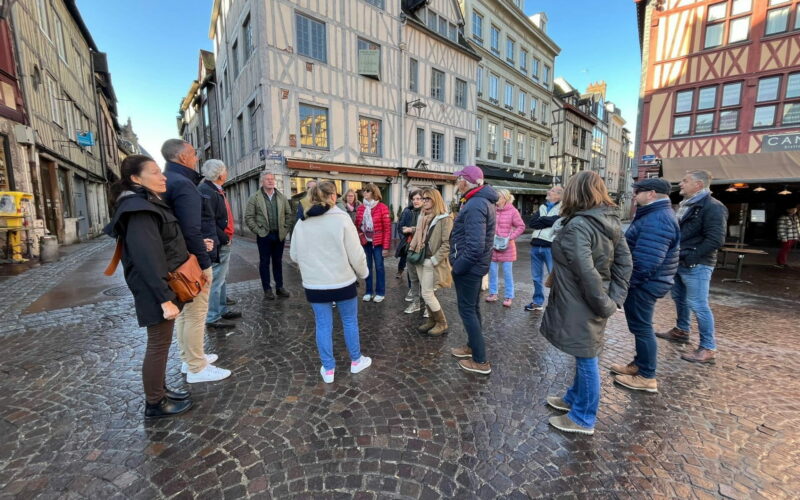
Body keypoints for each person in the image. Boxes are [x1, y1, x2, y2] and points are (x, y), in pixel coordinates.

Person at [541, 171, 632, 436]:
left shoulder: (580, 224)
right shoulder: (608, 220)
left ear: (575, 193)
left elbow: (586, 271)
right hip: (592, 296)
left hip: (582, 298)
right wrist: (613, 297)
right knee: (584, 351)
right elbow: (624, 263)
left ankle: (583, 418)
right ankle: (574, 399)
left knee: (586, 356)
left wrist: (608, 303)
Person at [104, 155, 194, 418]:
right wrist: (164, 298)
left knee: (161, 343)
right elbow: (147, 257)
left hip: (160, 286)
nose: (163, 176)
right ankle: (155, 402)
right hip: (155, 289)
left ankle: (161, 391)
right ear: (135, 179)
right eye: (155, 172)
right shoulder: (138, 209)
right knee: (158, 344)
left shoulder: (145, 202)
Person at [161, 139, 231, 384]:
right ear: (181, 157)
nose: (196, 157)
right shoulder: (183, 184)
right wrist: (204, 262)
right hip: (189, 261)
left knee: (185, 312)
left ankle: (189, 357)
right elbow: (191, 229)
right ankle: (196, 367)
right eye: (193, 153)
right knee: (195, 314)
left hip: (177, 258)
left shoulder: (169, 180)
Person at [290, 181, 372, 383]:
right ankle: (355, 360)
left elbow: (293, 254)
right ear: (333, 196)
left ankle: (328, 369)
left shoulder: (302, 221)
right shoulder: (342, 218)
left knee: (323, 325)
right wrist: (364, 273)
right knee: (349, 321)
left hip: (315, 284)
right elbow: (356, 253)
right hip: (342, 281)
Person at [611, 178, 679, 394]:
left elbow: (647, 261)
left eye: (637, 191)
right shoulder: (655, 215)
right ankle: (640, 365)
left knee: (642, 328)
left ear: (650, 193)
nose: (634, 195)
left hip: (645, 284)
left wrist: (627, 284)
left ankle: (647, 376)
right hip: (646, 282)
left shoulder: (658, 218)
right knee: (641, 326)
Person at [656, 170, 728, 364]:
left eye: (685, 181)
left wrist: (690, 257)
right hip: (681, 261)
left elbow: (716, 239)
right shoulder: (688, 205)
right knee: (679, 298)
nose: (681, 184)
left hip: (697, 264)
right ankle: (681, 330)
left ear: (698, 185)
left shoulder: (713, 207)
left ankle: (708, 347)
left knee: (698, 304)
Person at [448, 166, 499, 375]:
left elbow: (475, 246)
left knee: (467, 310)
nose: (456, 182)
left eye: (459, 179)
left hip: (469, 268)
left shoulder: (476, 204)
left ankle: (480, 360)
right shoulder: (477, 200)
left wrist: (458, 266)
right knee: (472, 308)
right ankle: (472, 346)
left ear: (466, 181)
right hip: (474, 267)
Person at [198, 159, 241, 329]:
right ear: (220, 174)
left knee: (222, 279)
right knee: (216, 280)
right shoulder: (206, 191)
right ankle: (213, 316)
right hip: (218, 242)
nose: (227, 173)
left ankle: (221, 309)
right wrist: (224, 238)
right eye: (225, 170)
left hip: (222, 241)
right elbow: (208, 221)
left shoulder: (214, 189)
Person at [245, 171, 294, 300]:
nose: (271, 181)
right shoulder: (254, 197)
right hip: (264, 236)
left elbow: (289, 214)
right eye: (268, 179)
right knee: (264, 262)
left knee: (278, 261)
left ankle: (279, 287)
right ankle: (267, 289)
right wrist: (258, 231)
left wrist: (285, 229)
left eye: (272, 179)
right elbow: (249, 217)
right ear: (262, 181)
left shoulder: (281, 197)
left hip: (279, 235)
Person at [413, 188, 453, 336]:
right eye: (423, 199)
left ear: (435, 200)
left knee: (427, 293)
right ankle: (432, 320)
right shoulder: (422, 216)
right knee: (425, 294)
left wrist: (434, 260)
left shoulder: (445, 218)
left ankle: (442, 323)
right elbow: (420, 235)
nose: (424, 202)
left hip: (431, 261)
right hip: (420, 258)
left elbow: (447, 243)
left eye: (427, 199)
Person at [525, 186, 563, 311]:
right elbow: (532, 223)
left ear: (559, 195)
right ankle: (537, 302)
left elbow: (558, 222)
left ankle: (556, 303)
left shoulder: (562, 208)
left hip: (550, 246)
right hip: (536, 244)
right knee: (536, 277)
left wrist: (542, 220)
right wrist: (547, 221)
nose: (548, 192)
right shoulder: (542, 207)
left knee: (555, 277)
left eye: (551, 191)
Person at [486, 189, 526, 307]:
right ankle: (493, 294)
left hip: (507, 247)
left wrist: (510, 238)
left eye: (498, 197)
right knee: (492, 272)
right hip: (493, 246)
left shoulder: (513, 211)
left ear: (505, 198)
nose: (496, 199)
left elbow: (521, 226)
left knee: (507, 273)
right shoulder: (492, 209)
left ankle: (509, 296)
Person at [355, 183, 391, 302]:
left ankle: (380, 292)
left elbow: (387, 229)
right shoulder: (361, 208)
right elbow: (357, 226)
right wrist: (362, 238)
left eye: (368, 191)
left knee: (379, 267)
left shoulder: (382, 207)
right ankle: (369, 291)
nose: (364, 193)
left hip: (378, 243)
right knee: (367, 267)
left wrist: (386, 247)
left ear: (374, 193)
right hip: (366, 243)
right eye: (364, 191)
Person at [397, 190, 423, 312]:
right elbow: (401, 227)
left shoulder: (426, 212)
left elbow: (424, 229)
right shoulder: (410, 211)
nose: (415, 201)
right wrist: (405, 234)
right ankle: (415, 299)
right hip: (410, 247)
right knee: (412, 275)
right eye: (413, 199)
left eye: (418, 198)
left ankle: (427, 306)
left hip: (422, 249)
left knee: (424, 277)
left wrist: (410, 229)